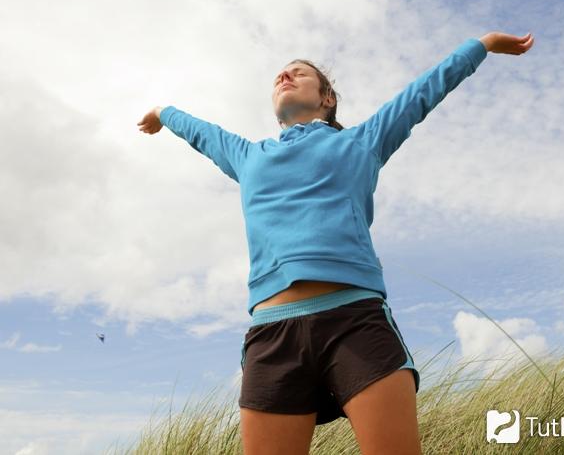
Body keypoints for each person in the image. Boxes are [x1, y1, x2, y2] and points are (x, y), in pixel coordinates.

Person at [137, 31, 534, 455]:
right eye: (281, 74)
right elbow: (201, 131)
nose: (285, 73)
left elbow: (423, 92)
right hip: (273, 337)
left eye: (301, 72)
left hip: (355, 324)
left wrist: (483, 44)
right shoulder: (248, 155)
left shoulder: (360, 142)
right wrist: (163, 111)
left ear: (327, 99)